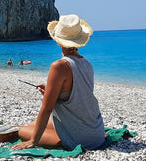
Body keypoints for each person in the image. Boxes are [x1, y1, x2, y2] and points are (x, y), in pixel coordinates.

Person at [11, 14, 105, 151]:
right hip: (96, 131)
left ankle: (63, 141)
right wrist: (51, 90)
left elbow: (47, 108)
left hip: (81, 139)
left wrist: (33, 141)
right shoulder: (87, 64)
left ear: (59, 41)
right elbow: (77, 95)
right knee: (33, 124)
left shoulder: (59, 66)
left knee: (23, 131)